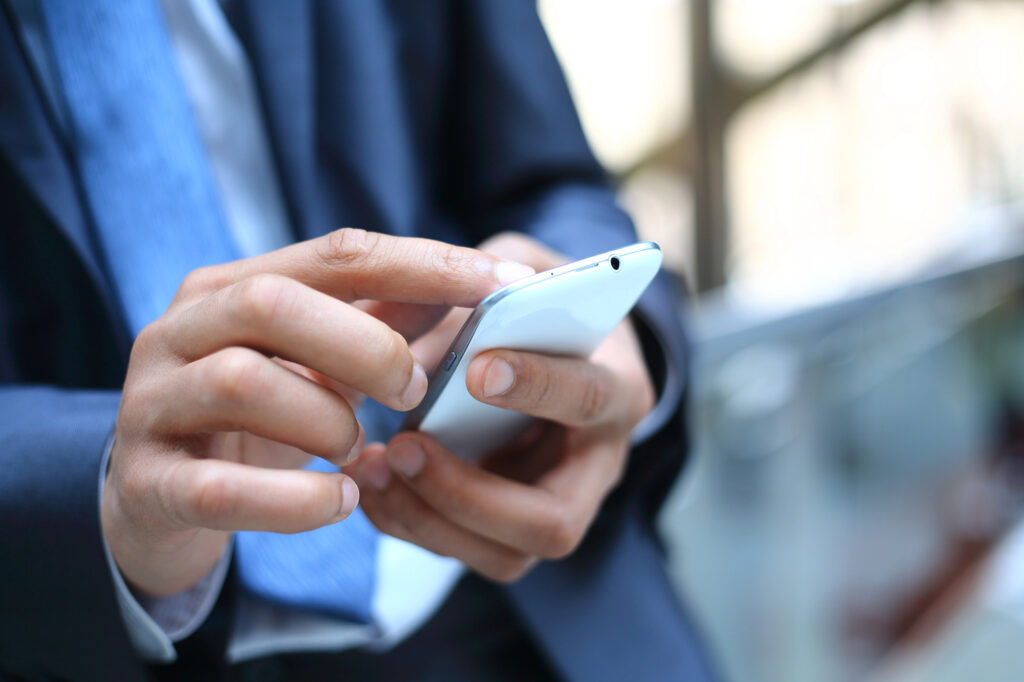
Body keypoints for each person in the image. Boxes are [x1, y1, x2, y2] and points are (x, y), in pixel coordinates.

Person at [0, 1, 717, 680]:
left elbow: (555, 180)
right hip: (110, 636)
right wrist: (95, 490)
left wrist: (613, 332)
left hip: (542, 610)